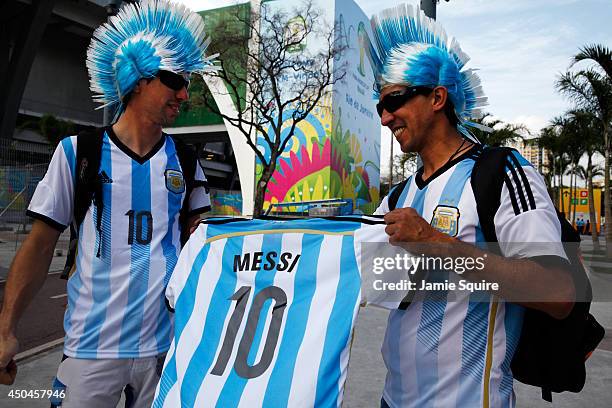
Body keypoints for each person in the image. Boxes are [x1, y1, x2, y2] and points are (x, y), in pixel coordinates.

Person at [0, 1, 217, 406]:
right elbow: (39, 245)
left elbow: (202, 249)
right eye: (174, 80)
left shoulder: (186, 162)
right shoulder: (76, 153)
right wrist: (6, 329)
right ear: (138, 80)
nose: (184, 94)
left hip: (165, 351)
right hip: (90, 351)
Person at [366, 4, 575, 407]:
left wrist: (433, 241)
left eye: (394, 101)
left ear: (437, 98)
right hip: (392, 401)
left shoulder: (501, 172)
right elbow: (365, 281)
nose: (385, 118)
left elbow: (558, 292)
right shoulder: (397, 195)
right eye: (380, 107)